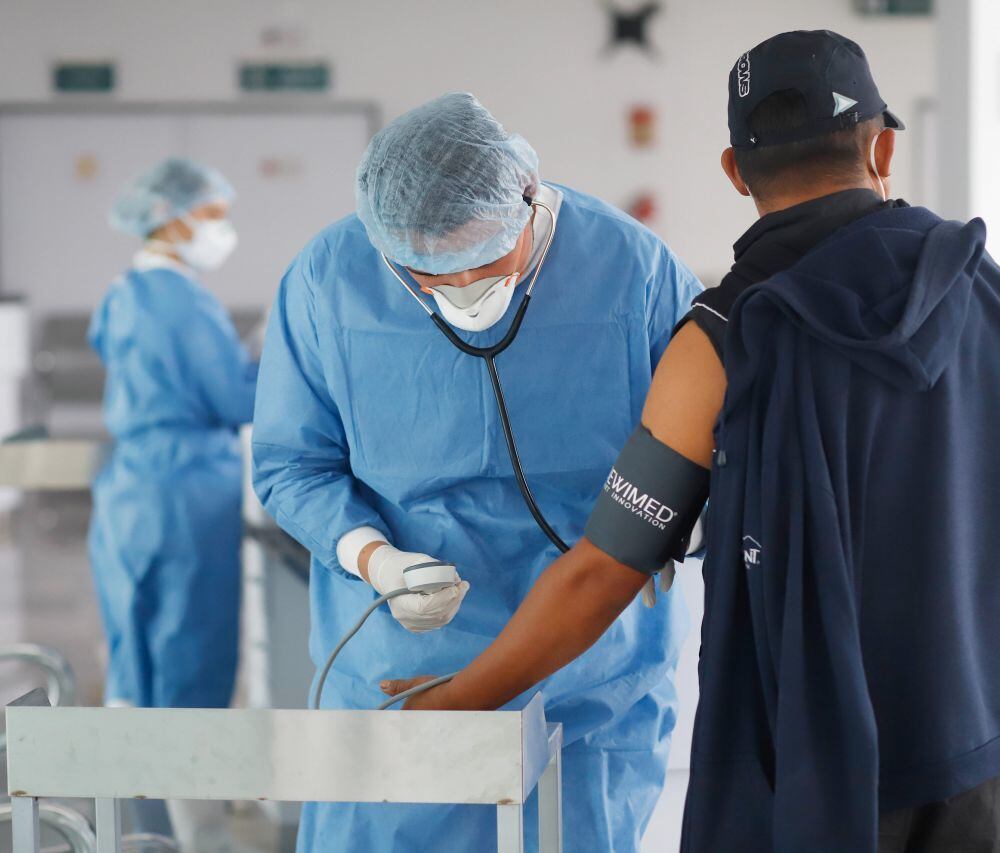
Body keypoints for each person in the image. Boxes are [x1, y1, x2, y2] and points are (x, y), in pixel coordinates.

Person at [384, 32, 1000, 853]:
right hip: (973, 746)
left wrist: (454, 699)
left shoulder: (722, 340)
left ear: (734, 171)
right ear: (883, 144)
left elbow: (605, 568)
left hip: (808, 767)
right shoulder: (995, 298)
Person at [252, 92, 701, 853]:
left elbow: (698, 454)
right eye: (422, 276)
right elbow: (293, 463)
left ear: (526, 201)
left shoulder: (634, 270)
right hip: (407, 671)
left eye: (481, 266)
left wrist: (679, 534)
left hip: (589, 672)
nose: (453, 291)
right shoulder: (330, 278)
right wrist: (373, 555)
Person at [89, 157, 258, 850]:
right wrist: (272, 358)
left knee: (135, 658)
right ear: (174, 216)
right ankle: (198, 834)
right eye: (212, 214)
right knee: (189, 661)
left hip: (129, 491)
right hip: (189, 493)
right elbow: (232, 400)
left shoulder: (125, 292)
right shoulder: (183, 302)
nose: (220, 229)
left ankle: (139, 829)